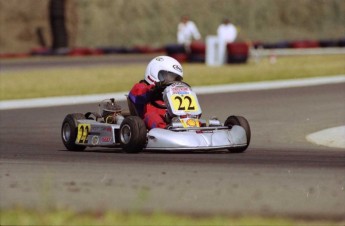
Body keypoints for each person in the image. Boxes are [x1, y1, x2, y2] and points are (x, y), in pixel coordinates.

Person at [128, 56, 184, 129]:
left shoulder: (171, 95)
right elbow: (139, 94)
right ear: (154, 72)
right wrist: (154, 89)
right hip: (146, 124)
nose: (172, 82)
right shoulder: (140, 87)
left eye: (176, 79)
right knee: (152, 116)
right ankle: (164, 129)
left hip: (171, 119)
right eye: (168, 77)